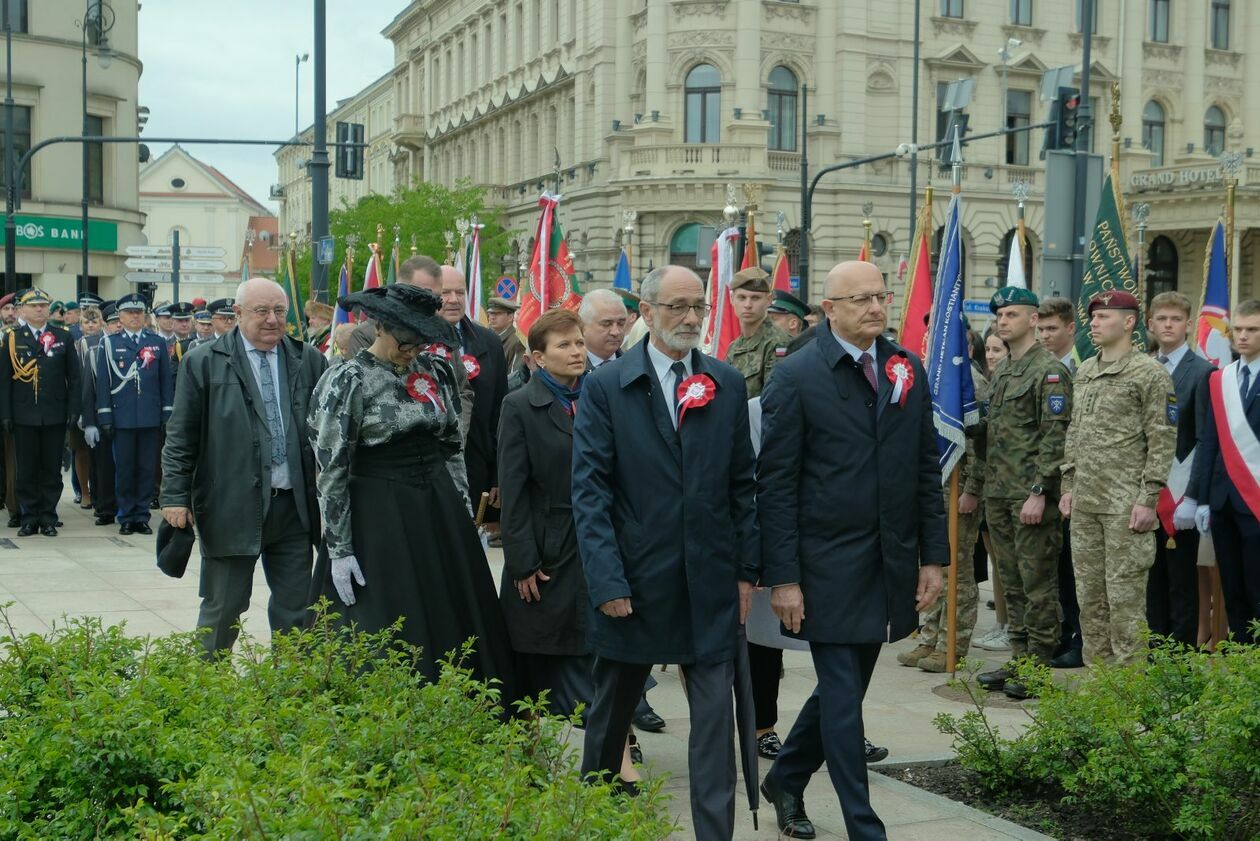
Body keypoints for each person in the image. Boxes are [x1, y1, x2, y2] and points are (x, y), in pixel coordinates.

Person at [757, 261, 944, 841]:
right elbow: (776, 485)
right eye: (858, 298)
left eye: (880, 296)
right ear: (829, 309)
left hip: (887, 563)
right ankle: (865, 826)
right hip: (824, 567)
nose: (874, 307)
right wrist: (782, 578)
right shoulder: (796, 377)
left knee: (847, 687)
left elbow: (923, 470)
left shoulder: (904, 367)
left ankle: (785, 777)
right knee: (843, 697)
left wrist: (932, 558)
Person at [573, 265, 758, 838]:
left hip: (708, 582)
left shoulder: (725, 382)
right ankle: (598, 814)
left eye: (697, 306)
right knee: (611, 712)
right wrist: (608, 583)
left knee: (713, 721)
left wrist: (746, 571)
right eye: (676, 306)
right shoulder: (607, 386)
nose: (689, 317)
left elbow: (743, 485)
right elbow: (591, 492)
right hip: (636, 581)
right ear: (646, 314)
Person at [307, 283, 516, 691]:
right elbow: (331, 467)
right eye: (408, 337)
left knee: (456, 616)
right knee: (386, 623)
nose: (415, 347)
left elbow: (452, 447)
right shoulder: (348, 378)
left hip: (437, 511)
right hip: (379, 517)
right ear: (382, 325)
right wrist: (340, 548)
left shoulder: (435, 370)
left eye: (424, 337)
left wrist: (461, 512)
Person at [161, 278, 328, 656]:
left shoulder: (308, 359)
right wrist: (174, 496)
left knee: (299, 610)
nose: (272, 320)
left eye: (280, 311)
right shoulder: (203, 362)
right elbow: (181, 436)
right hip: (230, 506)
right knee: (224, 608)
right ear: (237, 314)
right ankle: (206, 691)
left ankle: (293, 692)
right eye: (261, 311)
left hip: (294, 509)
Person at [1060, 291, 1175, 665]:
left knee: (1124, 602)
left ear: (1129, 323)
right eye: (1093, 317)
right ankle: (1099, 686)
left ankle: (1128, 692)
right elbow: (1074, 432)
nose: (1094, 323)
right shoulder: (1086, 371)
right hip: (1086, 505)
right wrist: (1068, 485)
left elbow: (1162, 438)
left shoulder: (1149, 374)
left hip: (1125, 507)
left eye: (1104, 317)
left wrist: (1148, 498)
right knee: (1090, 601)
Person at [974, 287, 1071, 700]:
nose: (1003, 321)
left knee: (1038, 584)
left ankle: (1040, 664)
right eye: (1000, 315)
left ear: (1033, 320)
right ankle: (1019, 655)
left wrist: (1040, 491)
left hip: (1030, 497)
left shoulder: (1048, 371)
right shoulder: (1005, 372)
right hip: (1000, 494)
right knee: (1010, 584)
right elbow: (993, 436)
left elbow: (1056, 437)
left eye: (1012, 314)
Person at [900, 334, 990, 673]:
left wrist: (972, 488)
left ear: (966, 350)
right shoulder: (936, 379)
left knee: (958, 569)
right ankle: (932, 635)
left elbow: (982, 445)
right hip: (935, 489)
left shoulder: (973, 384)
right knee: (935, 562)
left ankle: (954, 642)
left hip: (960, 488)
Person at [1188, 298, 1260, 643]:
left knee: (1256, 584)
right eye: (1239, 330)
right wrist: (1201, 499)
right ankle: (1244, 655)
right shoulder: (1221, 379)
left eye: (1253, 330)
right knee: (1232, 587)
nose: (1243, 337)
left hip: (1257, 498)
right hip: (1222, 500)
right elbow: (1209, 441)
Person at [1146, 292, 1214, 647]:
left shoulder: (1203, 372)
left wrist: (1194, 497)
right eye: (1162, 319)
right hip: (1147, 494)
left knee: (1181, 583)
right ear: (1150, 324)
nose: (1168, 325)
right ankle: (1154, 655)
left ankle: (1180, 663)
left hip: (1181, 497)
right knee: (1150, 580)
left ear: (1188, 325)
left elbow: (1205, 439)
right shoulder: (1142, 367)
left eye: (1175, 319)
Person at [347, 255, 474, 439]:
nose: (430, 305)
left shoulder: (441, 333)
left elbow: (461, 389)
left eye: (436, 298)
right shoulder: (366, 336)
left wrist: (455, 434)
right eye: (422, 295)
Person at [82, 294, 174, 535]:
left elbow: (165, 382)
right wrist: (105, 417)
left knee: (146, 469)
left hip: (149, 417)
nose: (135, 316)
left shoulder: (156, 342)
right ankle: (125, 515)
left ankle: (141, 515)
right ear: (120, 317)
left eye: (139, 312)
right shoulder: (110, 343)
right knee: (124, 469)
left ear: (144, 315)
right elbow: (103, 384)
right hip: (121, 418)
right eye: (130, 312)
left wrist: (166, 414)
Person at [0, 289, 80, 537]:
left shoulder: (62, 337)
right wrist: (6, 413)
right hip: (23, 414)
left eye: (43, 305)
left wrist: (73, 410)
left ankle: (48, 516)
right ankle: (29, 516)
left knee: (51, 469)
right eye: (33, 306)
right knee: (26, 469)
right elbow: (4, 381)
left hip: (54, 413)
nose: (39, 309)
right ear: (21, 310)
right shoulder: (12, 337)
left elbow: (74, 378)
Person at [440, 264, 508, 526]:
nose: (454, 300)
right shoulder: (413, 341)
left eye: (460, 292)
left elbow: (500, 415)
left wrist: (497, 476)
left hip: (476, 468)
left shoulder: (489, 342)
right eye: (445, 293)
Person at [1037, 296, 1083, 667]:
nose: (1046, 335)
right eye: (1042, 328)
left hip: (1075, 486)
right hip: (1047, 487)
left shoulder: (1083, 370)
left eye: (1053, 328)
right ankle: (1058, 634)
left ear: (1071, 328)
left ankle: (1078, 639)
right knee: (1050, 569)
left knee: (1072, 569)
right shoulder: (1039, 369)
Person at [973, 328, 1012, 652]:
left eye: (997, 349)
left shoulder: (992, 383)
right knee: (996, 562)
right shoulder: (995, 381)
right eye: (988, 348)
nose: (991, 355)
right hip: (990, 487)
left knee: (1008, 563)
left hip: (1008, 486)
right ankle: (1002, 622)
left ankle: (1010, 624)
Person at [78, 303, 118, 526]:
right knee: (101, 464)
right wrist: (88, 418)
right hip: (98, 411)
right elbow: (86, 384)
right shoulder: (91, 344)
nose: (116, 326)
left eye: (117, 322)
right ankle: (104, 506)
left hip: (124, 413)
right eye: (112, 322)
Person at [726, 267, 791, 400]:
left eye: (755, 298)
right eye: (742, 297)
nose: (748, 305)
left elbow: (775, 398)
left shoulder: (779, 343)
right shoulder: (734, 346)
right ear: (732, 298)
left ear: (768, 300)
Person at [581, 289, 628, 370]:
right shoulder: (565, 370)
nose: (615, 332)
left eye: (621, 323)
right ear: (583, 326)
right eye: (606, 324)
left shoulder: (637, 367)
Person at [485, 297, 526, 387]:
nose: (492, 317)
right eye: (490, 313)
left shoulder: (517, 342)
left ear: (510, 317)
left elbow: (514, 378)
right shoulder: (485, 338)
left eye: (497, 313)